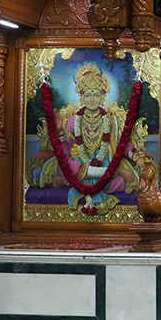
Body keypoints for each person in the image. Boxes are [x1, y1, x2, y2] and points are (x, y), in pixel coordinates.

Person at [36, 62, 140, 214]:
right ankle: (100, 174)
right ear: (81, 97)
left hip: (104, 161)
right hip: (80, 161)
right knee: (65, 164)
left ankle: (70, 179)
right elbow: (65, 152)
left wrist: (136, 155)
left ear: (102, 97)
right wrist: (60, 131)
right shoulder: (74, 120)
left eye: (96, 95)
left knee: (118, 180)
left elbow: (121, 142)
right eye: (88, 95)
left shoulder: (110, 120)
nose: (92, 99)